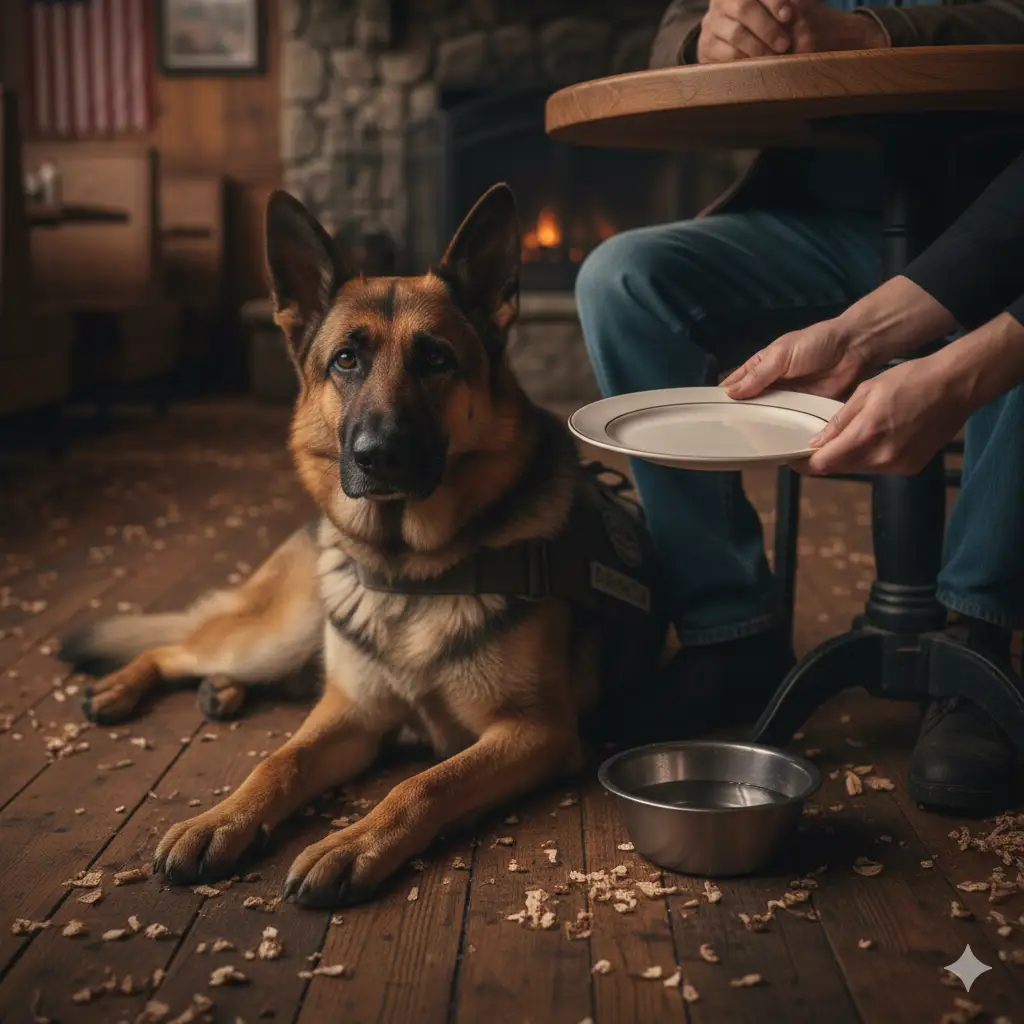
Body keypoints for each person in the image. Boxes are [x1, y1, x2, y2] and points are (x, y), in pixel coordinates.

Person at [576, 0, 1024, 812]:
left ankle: (975, 637)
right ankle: (731, 633)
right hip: (826, 228)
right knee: (621, 279)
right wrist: (700, 37)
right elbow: (675, 22)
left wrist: (884, 34)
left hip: (1004, 220)